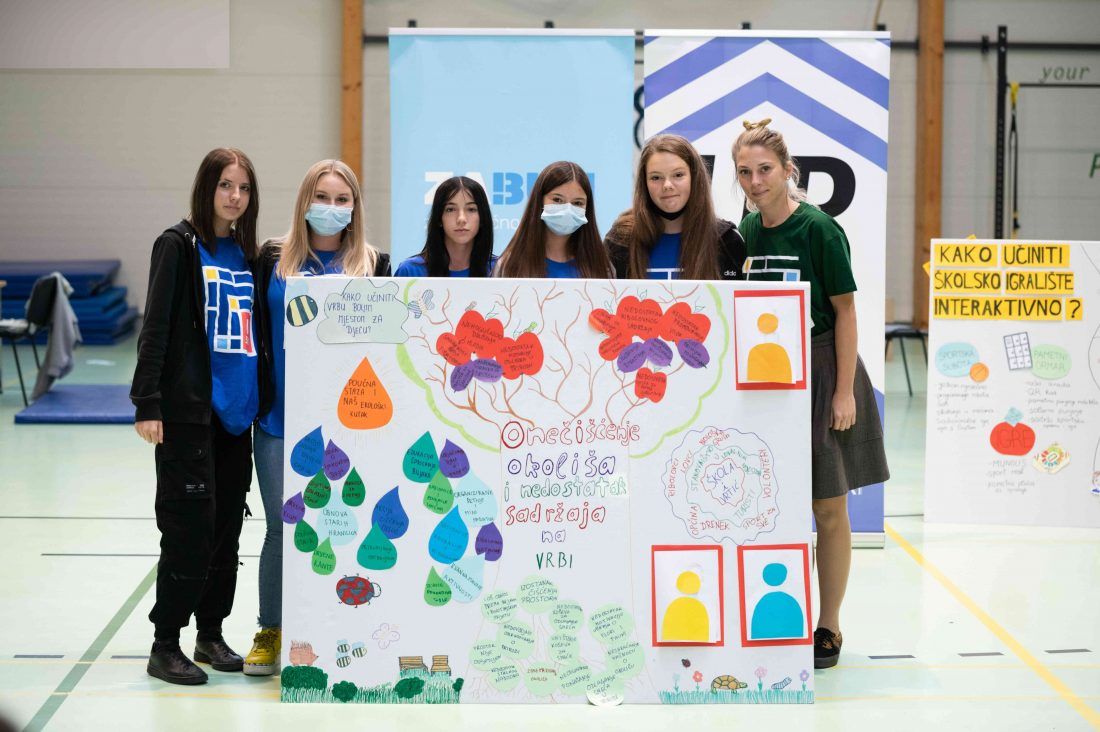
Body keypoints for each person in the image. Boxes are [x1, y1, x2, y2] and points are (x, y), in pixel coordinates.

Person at [732, 120, 889, 669]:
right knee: (770, 506)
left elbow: (846, 311)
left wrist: (844, 391)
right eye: (745, 172)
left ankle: (829, 624)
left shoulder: (820, 228)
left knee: (828, 506)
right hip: (767, 378)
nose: (755, 181)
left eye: (765, 170)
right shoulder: (746, 232)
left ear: (788, 170)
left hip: (823, 371)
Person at [247, 160, 390, 675]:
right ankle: (270, 629)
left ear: (355, 207)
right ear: (304, 201)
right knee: (280, 530)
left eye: (342, 200)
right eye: (322, 198)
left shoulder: (375, 265)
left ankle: (341, 629)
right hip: (278, 422)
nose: (331, 208)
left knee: (345, 526)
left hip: (350, 429)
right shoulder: (271, 259)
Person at [130, 147, 261, 685]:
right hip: (189, 415)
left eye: (244, 188)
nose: (235, 196)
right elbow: (156, 326)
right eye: (226, 185)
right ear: (207, 187)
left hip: (237, 416)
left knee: (227, 534)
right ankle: (166, 643)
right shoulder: (178, 245)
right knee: (189, 531)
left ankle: (210, 634)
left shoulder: (247, 254)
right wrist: (147, 402)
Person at [605, 133, 745, 281]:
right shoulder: (619, 240)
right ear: (644, 183)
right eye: (656, 177)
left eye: (678, 175)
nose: (667, 185)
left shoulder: (727, 240)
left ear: (694, 177)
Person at [493, 161, 611, 278]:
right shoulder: (510, 265)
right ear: (539, 201)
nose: (568, 210)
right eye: (557, 200)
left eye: (577, 203)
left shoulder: (602, 267)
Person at [395, 176, 496, 277]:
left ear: (482, 217)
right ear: (439, 218)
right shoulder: (410, 271)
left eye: (471, 209)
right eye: (450, 209)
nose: (461, 219)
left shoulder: (498, 270)